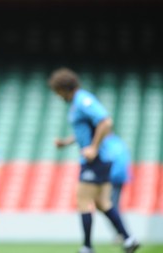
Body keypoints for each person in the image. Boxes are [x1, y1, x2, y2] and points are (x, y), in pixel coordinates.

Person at [48, 67, 140, 253]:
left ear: (64, 88)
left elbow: (105, 122)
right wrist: (66, 143)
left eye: (58, 91)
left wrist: (94, 148)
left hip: (96, 160)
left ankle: (87, 247)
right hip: (99, 159)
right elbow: (84, 132)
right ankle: (129, 239)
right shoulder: (77, 103)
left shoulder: (83, 100)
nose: (58, 96)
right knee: (102, 203)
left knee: (82, 200)